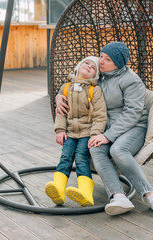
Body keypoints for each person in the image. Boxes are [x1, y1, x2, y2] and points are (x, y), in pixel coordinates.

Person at [55, 42, 153, 219]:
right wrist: (58, 97)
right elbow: (76, 84)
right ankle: (118, 196)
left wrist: (107, 136)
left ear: (119, 63)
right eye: (101, 56)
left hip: (134, 127)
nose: (101, 61)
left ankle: (151, 196)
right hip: (105, 127)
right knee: (94, 148)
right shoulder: (100, 75)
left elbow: (133, 113)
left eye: (107, 59)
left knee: (118, 150)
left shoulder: (131, 80)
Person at [45, 56, 107, 207]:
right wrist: (60, 130)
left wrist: (95, 133)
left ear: (95, 75)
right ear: (78, 66)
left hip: (87, 133)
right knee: (65, 157)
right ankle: (58, 189)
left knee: (81, 158)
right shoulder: (66, 88)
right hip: (70, 132)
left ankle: (86, 192)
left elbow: (100, 115)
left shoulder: (95, 90)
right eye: (86, 63)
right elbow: (61, 112)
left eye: (93, 67)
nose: (88, 66)